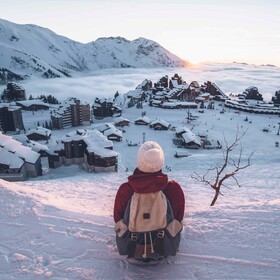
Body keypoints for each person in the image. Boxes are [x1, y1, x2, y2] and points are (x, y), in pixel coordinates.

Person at [114, 141, 185, 259]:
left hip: (132, 245)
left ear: (139, 161)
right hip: (165, 244)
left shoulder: (126, 189)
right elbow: (179, 217)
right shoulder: (173, 188)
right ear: (161, 161)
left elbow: (118, 218)